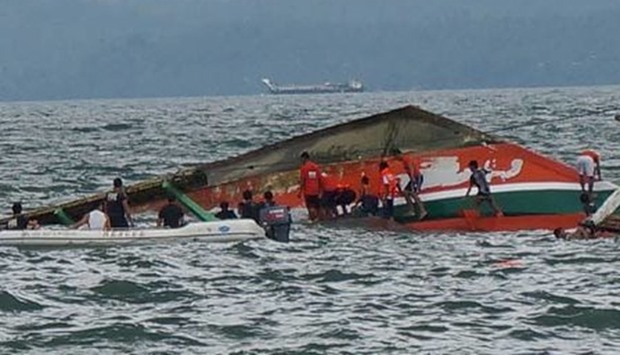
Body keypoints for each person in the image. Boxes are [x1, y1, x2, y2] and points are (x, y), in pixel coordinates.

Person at [394, 149, 428, 219]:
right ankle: (411, 210)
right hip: (413, 178)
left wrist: (412, 179)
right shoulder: (404, 160)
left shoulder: (406, 159)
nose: (396, 159)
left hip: (416, 177)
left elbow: (411, 168)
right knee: (406, 192)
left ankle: (423, 211)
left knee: (413, 194)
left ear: (398, 154)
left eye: (396, 157)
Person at [298, 151, 322, 221]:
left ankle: (312, 219)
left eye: (301, 159)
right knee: (317, 207)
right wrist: (320, 190)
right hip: (316, 190)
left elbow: (303, 180)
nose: (301, 161)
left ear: (304, 158)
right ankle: (319, 219)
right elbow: (319, 178)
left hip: (308, 191)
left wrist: (300, 192)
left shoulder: (304, 168)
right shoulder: (315, 167)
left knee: (310, 207)